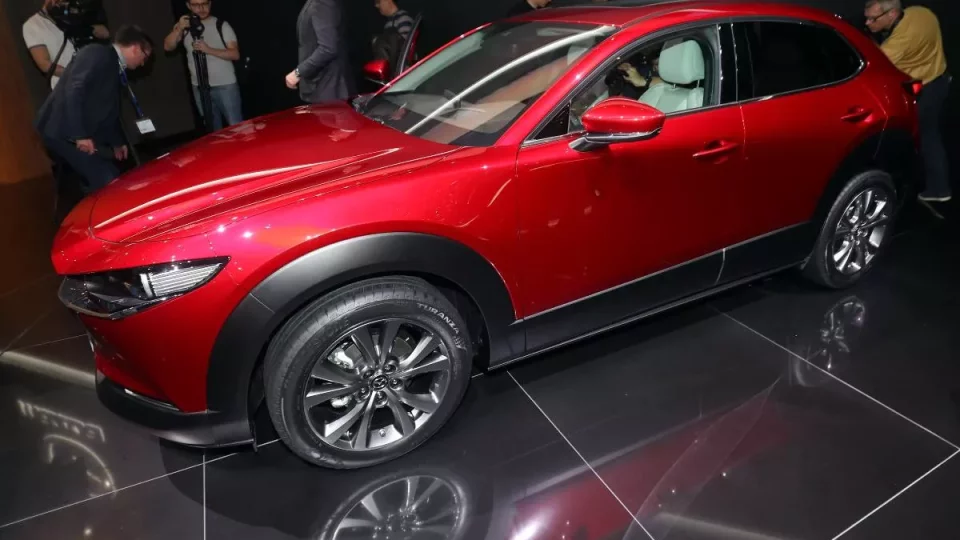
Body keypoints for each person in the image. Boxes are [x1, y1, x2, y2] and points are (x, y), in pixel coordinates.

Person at [35, 25, 153, 193]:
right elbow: (74, 90)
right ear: (136, 48)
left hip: (75, 133)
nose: (142, 63)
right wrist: (80, 135)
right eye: (145, 57)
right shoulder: (97, 53)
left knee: (109, 177)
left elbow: (108, 110)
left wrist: (116, 142)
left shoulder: (113, 63)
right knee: (106, 180)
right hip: (62, 131)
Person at [865, 0, 951, 203]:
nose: (868, 23)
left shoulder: (898, 43)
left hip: (925, 91)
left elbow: (876, 62)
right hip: (940, 78)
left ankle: (939, 190)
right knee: (930, 135)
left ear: (892, 14)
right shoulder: (921, 12)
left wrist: (868, 43)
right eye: (866, 18)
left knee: (927, 140)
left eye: (872, 19)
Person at [163, 0, 243, 131]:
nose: (201, 8)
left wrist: (208, 49)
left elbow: (235, 54)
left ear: (210, 3)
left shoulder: (221, 25)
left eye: (205, 3)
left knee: (236, 126)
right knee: (212, 130)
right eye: (196, 5)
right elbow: (168, 46)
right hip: (199, 86)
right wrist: (179, 28)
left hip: (225, 85)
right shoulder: (185, 26)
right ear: (188, 6)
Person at [22, 0, 109, 89]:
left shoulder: (72, 13)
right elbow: (44, 64)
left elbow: (102, 33)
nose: (60, 3)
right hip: (69, 87)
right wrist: (77, 74)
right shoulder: (32, 25)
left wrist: (90, 29)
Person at [286, 0, 354, 104]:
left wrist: (298, 72)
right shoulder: (316, 3)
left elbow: (328, 48)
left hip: (329, 88)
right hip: (321, 87)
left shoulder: (322, 4)